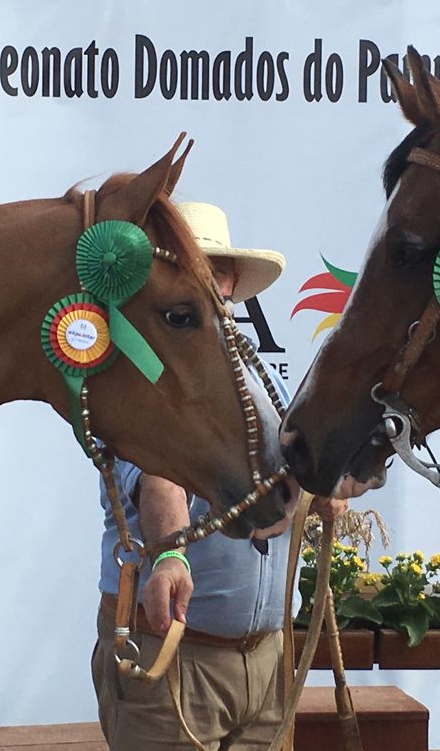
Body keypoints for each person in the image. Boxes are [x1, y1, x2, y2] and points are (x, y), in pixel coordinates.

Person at [91, 202, 346, 751]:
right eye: (190, 269)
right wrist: (171, 554)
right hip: (177, 656)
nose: (208, 282)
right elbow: (159, 480)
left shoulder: (249, 376)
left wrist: (316, 490)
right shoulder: (145, 374)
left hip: (266, 655)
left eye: (215, 269)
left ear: (231, 280)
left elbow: (281, 477)